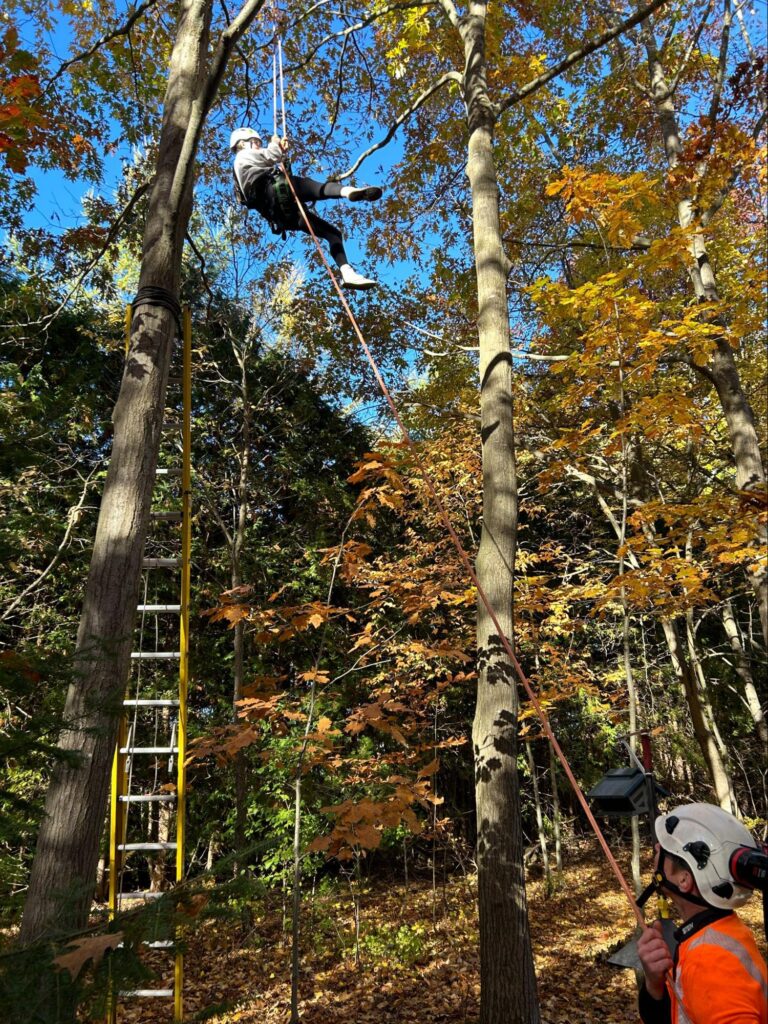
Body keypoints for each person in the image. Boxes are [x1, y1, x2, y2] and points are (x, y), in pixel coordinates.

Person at [637, 802, 767, 1024]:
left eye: (666, 849)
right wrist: (654, 985)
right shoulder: (717, 932)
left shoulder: (710, 962)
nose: (657, 848)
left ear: (684, 879)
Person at [230, 127, 382, 290]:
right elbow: (272, 154)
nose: (258, 146)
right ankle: (349, 191)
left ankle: (347, 273)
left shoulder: (246, 166)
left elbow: (274, 161)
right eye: (255, 142)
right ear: (243, 144)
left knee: (333, 234)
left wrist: (282, 158)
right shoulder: (242, 157)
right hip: (272, 191)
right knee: (313, 187)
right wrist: (275, 144)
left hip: (281, 214)